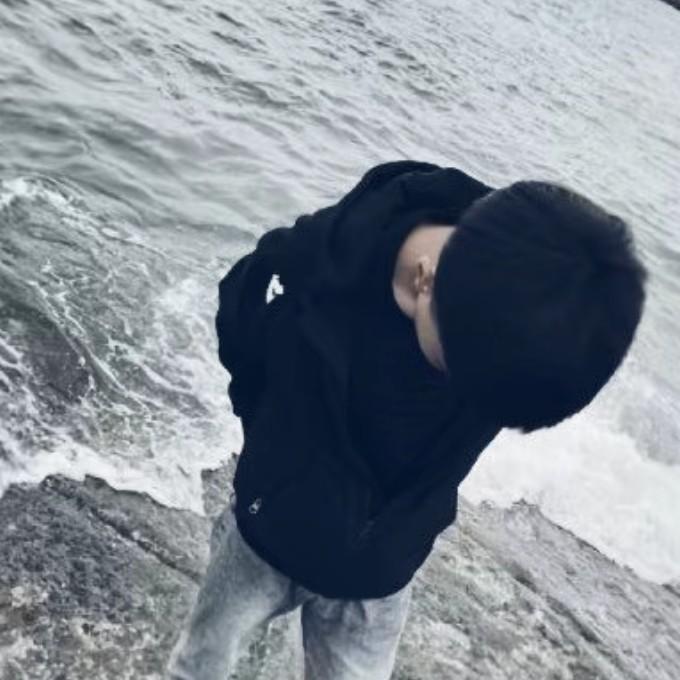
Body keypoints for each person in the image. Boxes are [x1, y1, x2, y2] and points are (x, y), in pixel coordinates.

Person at [166, 160, 647, 680]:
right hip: (267, 535)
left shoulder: (519, 315)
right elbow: (243, 329)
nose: (471, 403)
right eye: (459, 375)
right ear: (425, 280)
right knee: (202, 661)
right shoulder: (314, 275)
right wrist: (269, 449)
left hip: (380, 572)